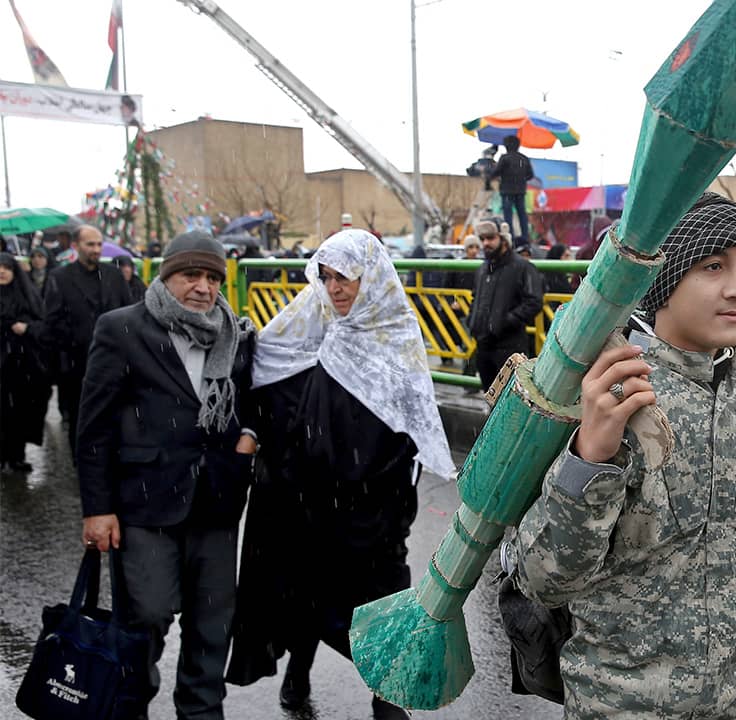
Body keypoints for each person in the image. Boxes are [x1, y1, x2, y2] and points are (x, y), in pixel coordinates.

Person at [511, 192, 736, 719]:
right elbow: (545, 580)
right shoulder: (610, 391)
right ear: (662, 281)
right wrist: (590, 457)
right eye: (712, 266)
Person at [227, 229, 453, 720]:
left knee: (385, 601)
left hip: (378, 501)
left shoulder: (396, 332)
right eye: (326, 277)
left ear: (370, 275)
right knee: (310, 589)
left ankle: (388, 695)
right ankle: (299, 672)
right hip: (314, 499)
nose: (336, 288)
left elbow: (413, 417)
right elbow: (267, 363)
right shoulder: (315, 320)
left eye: (345, 276)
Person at [78, 231, 257, 720]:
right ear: (167, 275)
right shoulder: (121, 329)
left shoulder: (235, 335)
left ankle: (202, 713)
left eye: (213, 278)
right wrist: (97, 509)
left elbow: (253, 402)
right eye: (191, 275)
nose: (203, 288)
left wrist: (247, 441)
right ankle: (129, 703)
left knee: (212, 625)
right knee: (148, 616)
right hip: (143, 503)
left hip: (215, 502)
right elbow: (92, 429)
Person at [42, 225, 132, 453]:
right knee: (81, 419)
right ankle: (82, 465)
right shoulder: (60, 277)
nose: (96, 249)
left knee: (115, 417)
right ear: (75, 246)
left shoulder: (113, 274)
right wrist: (77, 342)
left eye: (99, 244)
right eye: (90, 244)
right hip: (77, 364)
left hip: (114, 361)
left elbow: (129, 312)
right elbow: (52, 320)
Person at [468, 219, 544, 389]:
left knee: (509, 400)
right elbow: (475, 299)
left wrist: (504, 322)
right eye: (483, 238)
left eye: (490, 238)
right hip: (483, 347)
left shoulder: (523, 267)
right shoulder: (482, 269)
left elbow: (534, 302)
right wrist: (473, 322)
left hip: (509, 347)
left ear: (503, 239)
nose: (486, 243)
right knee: (490, 398)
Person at [0, 254, 50, 472]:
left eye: (6, 267)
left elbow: (43, 324)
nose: (2, 271)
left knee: (19, 410)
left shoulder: (28, 296)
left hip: (22, 365)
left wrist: (27, 328)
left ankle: (16, 455)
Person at [490, 135, 534, 243]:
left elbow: (496, 172)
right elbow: (530, 175)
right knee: (522, 214)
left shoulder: (504, 158)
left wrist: (493, 175)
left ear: (507, 146)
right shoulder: (524, 158)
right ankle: (525, 236)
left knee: (508, 215)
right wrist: (521, 179)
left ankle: (510, 236)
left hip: (507, 190)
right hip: (520, 190)